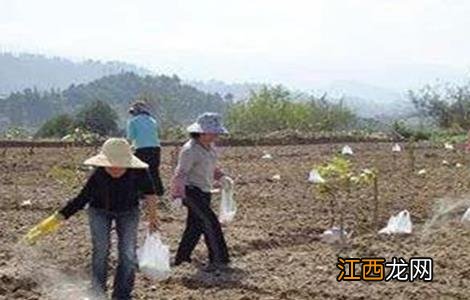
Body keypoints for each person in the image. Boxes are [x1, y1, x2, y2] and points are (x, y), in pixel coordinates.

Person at [25, 138, 159, 300]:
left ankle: (122, 294)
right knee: (101, 250)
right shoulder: (98, 175)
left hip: (128, 211)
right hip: (99, 211)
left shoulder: (139, 172)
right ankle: (97, 292)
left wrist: (153, 218)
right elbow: (81, 199)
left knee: (128, 253)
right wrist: (55, 220)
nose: (114, 168)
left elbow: (150, 194)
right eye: (110, 165)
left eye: (119, 164)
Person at [170, 112, 230, 272]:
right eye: (213, 132)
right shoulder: (190, 150)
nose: (216, 135)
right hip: (190, 191)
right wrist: (177, 195)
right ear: (201, 132)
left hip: (205, 191)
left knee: (194, 226)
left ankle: (181, 259)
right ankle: (219, 259)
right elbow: (181, 173)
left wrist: (222, 177)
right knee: (210, 222)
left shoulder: (210, 148)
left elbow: (211, 168)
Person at [127, 101, 165, 196]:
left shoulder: (133, 121)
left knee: (139, 171)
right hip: (156, 149)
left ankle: (142, 194)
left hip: (142, 150)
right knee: (154, 171)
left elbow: (130, 138)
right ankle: (159, 193)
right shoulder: (152, 120)